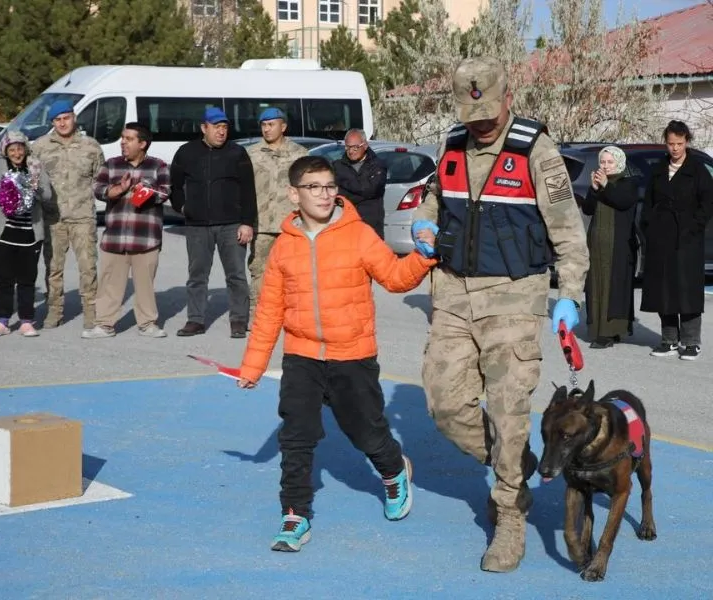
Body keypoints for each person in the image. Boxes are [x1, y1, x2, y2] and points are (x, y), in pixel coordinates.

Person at [411, 56, 589, 572]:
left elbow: (568, 230)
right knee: (444, 405)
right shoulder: (451, 144)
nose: (481, 125)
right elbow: (432, 198)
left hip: (513, 296)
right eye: (472, 116)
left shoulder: (536, 149)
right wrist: (424, 223)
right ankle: (517, 462)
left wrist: (570, 295)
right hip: (451, 293)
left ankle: (510, 511)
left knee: (508, 411)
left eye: (489, 114)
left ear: (508, 98)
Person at [237, 156, 437, 552]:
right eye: (314, 187)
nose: (324, 194)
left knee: (366, 432)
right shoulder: (283, 247)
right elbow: (269, 311)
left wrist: (423, 256)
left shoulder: (358, 234)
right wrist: (253, 365)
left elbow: (395, 278)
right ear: (294, 194)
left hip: (353, 354)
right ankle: (295, 514)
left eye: (330, 186)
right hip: (301, 356)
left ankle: (394, 470)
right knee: (296, 437)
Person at [169, 107, 256, 339]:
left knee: (236, 275)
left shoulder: (237, 153)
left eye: (224, 127)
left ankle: (239, 320)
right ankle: (195, 320)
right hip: (197, 226)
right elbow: (174, 186)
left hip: (232, 225)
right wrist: (183, 207)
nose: (221, 132)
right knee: (197, 275)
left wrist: (247, 223)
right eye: (216, 127)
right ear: (204, 128)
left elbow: (248, 190)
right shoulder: (186, 152)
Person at [82, 123, 171, 339]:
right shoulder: (111, 165)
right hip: (115, 237)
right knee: (109, 284)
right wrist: (119, 189)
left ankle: (147, 324)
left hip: (145, 238)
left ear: (142, 144)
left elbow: (165, 192)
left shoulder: (158, 166)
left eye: (129, 139)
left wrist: (145, 191)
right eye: (122, 138)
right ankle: (104, 325)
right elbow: (99, 190)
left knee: (145, 285)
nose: (123, 142)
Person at [640, 120, 713, 361]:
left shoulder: (698, 170)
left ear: (687, 142)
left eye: (679, 144)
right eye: (671, 143)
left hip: (687, 239)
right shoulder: (659, 169)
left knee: (687, 289)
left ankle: (691, 342)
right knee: (664, 289)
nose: (675, 148)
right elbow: (649, 201)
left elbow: (708, 202)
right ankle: (669, 339)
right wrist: (649, 225)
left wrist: (695, 226)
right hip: (661, 238)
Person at [31, 100, 104, 331]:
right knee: (53, 268)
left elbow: (100, 180)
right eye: (57, 120)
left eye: (66, 118)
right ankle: (54, 311)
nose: (62, 123)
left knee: (88, 267)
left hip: (82, 216)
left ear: (74, 118)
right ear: (52, 122)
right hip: (53, 217)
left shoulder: (90, 146)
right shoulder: (40, 147)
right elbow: (32, 180)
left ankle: (91, 312)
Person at [0, 129, 53, 337]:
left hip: (29, 234)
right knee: (4, 279)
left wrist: (34, 187)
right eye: (12, 149)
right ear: (5, 151)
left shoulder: (35, 165)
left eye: (20, 148)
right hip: (4, 234)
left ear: (25, 148)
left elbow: (47, 194)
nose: (17, 153)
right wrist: (11, 190)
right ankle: (2, 320)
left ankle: (26, 320)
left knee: (27, 279)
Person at [245, 107, 308, 324]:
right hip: (261, 224)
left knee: (293, 272)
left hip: (291, 224)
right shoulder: (251, 154)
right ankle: (258, 317)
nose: (266, 129)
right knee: (259, 271)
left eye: (271, 125)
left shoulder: (300, 154)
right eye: (263, 125)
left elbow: (307, 188)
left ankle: (293, 317)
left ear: (283, 126)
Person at [581, 146, 638, 349]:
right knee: (596, 286)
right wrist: (593, 189)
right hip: (597, 244)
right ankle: (598, 329)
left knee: (613, 288)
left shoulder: (628, 183)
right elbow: (588, 209)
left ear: (619, 163)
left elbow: (622, 202)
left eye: (610, 162)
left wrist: (605, 185)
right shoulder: (599, 184)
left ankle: (610, 332)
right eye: (602, 162)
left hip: (618, 246)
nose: (605, 166)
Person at [332, 128, 387, 238]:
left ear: (365, 145)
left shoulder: (377, 165)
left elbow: (370, 190)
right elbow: (334, 193)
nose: (351, 151)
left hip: (371, 226)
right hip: (345, 225)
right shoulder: (337, 166)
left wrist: (343, 184)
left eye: (355, 147)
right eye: (347, 147)